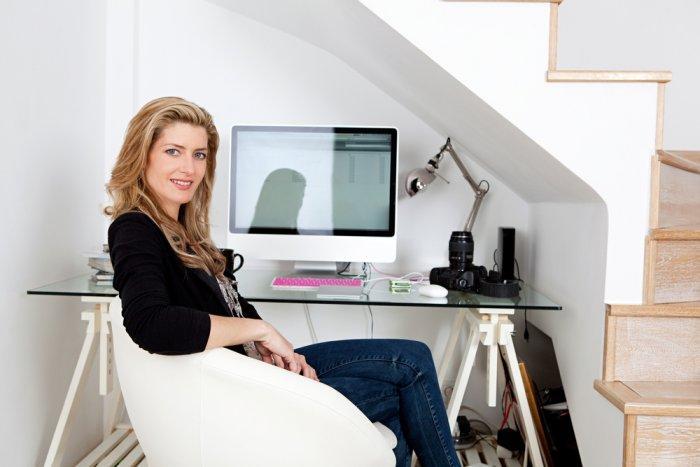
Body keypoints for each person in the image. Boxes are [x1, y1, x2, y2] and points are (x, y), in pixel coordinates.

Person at [104, 96, 461, 467]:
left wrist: (273, 350)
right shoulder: (134, 228)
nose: (189, 167)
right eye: (173, 151)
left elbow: (231, 307)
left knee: (410, 361)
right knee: (403, 385)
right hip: (235, 399)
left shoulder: (183, 230)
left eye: (199, 154)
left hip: (253, 372)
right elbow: (151, 324)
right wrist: (258, 331)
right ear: (142, 155)